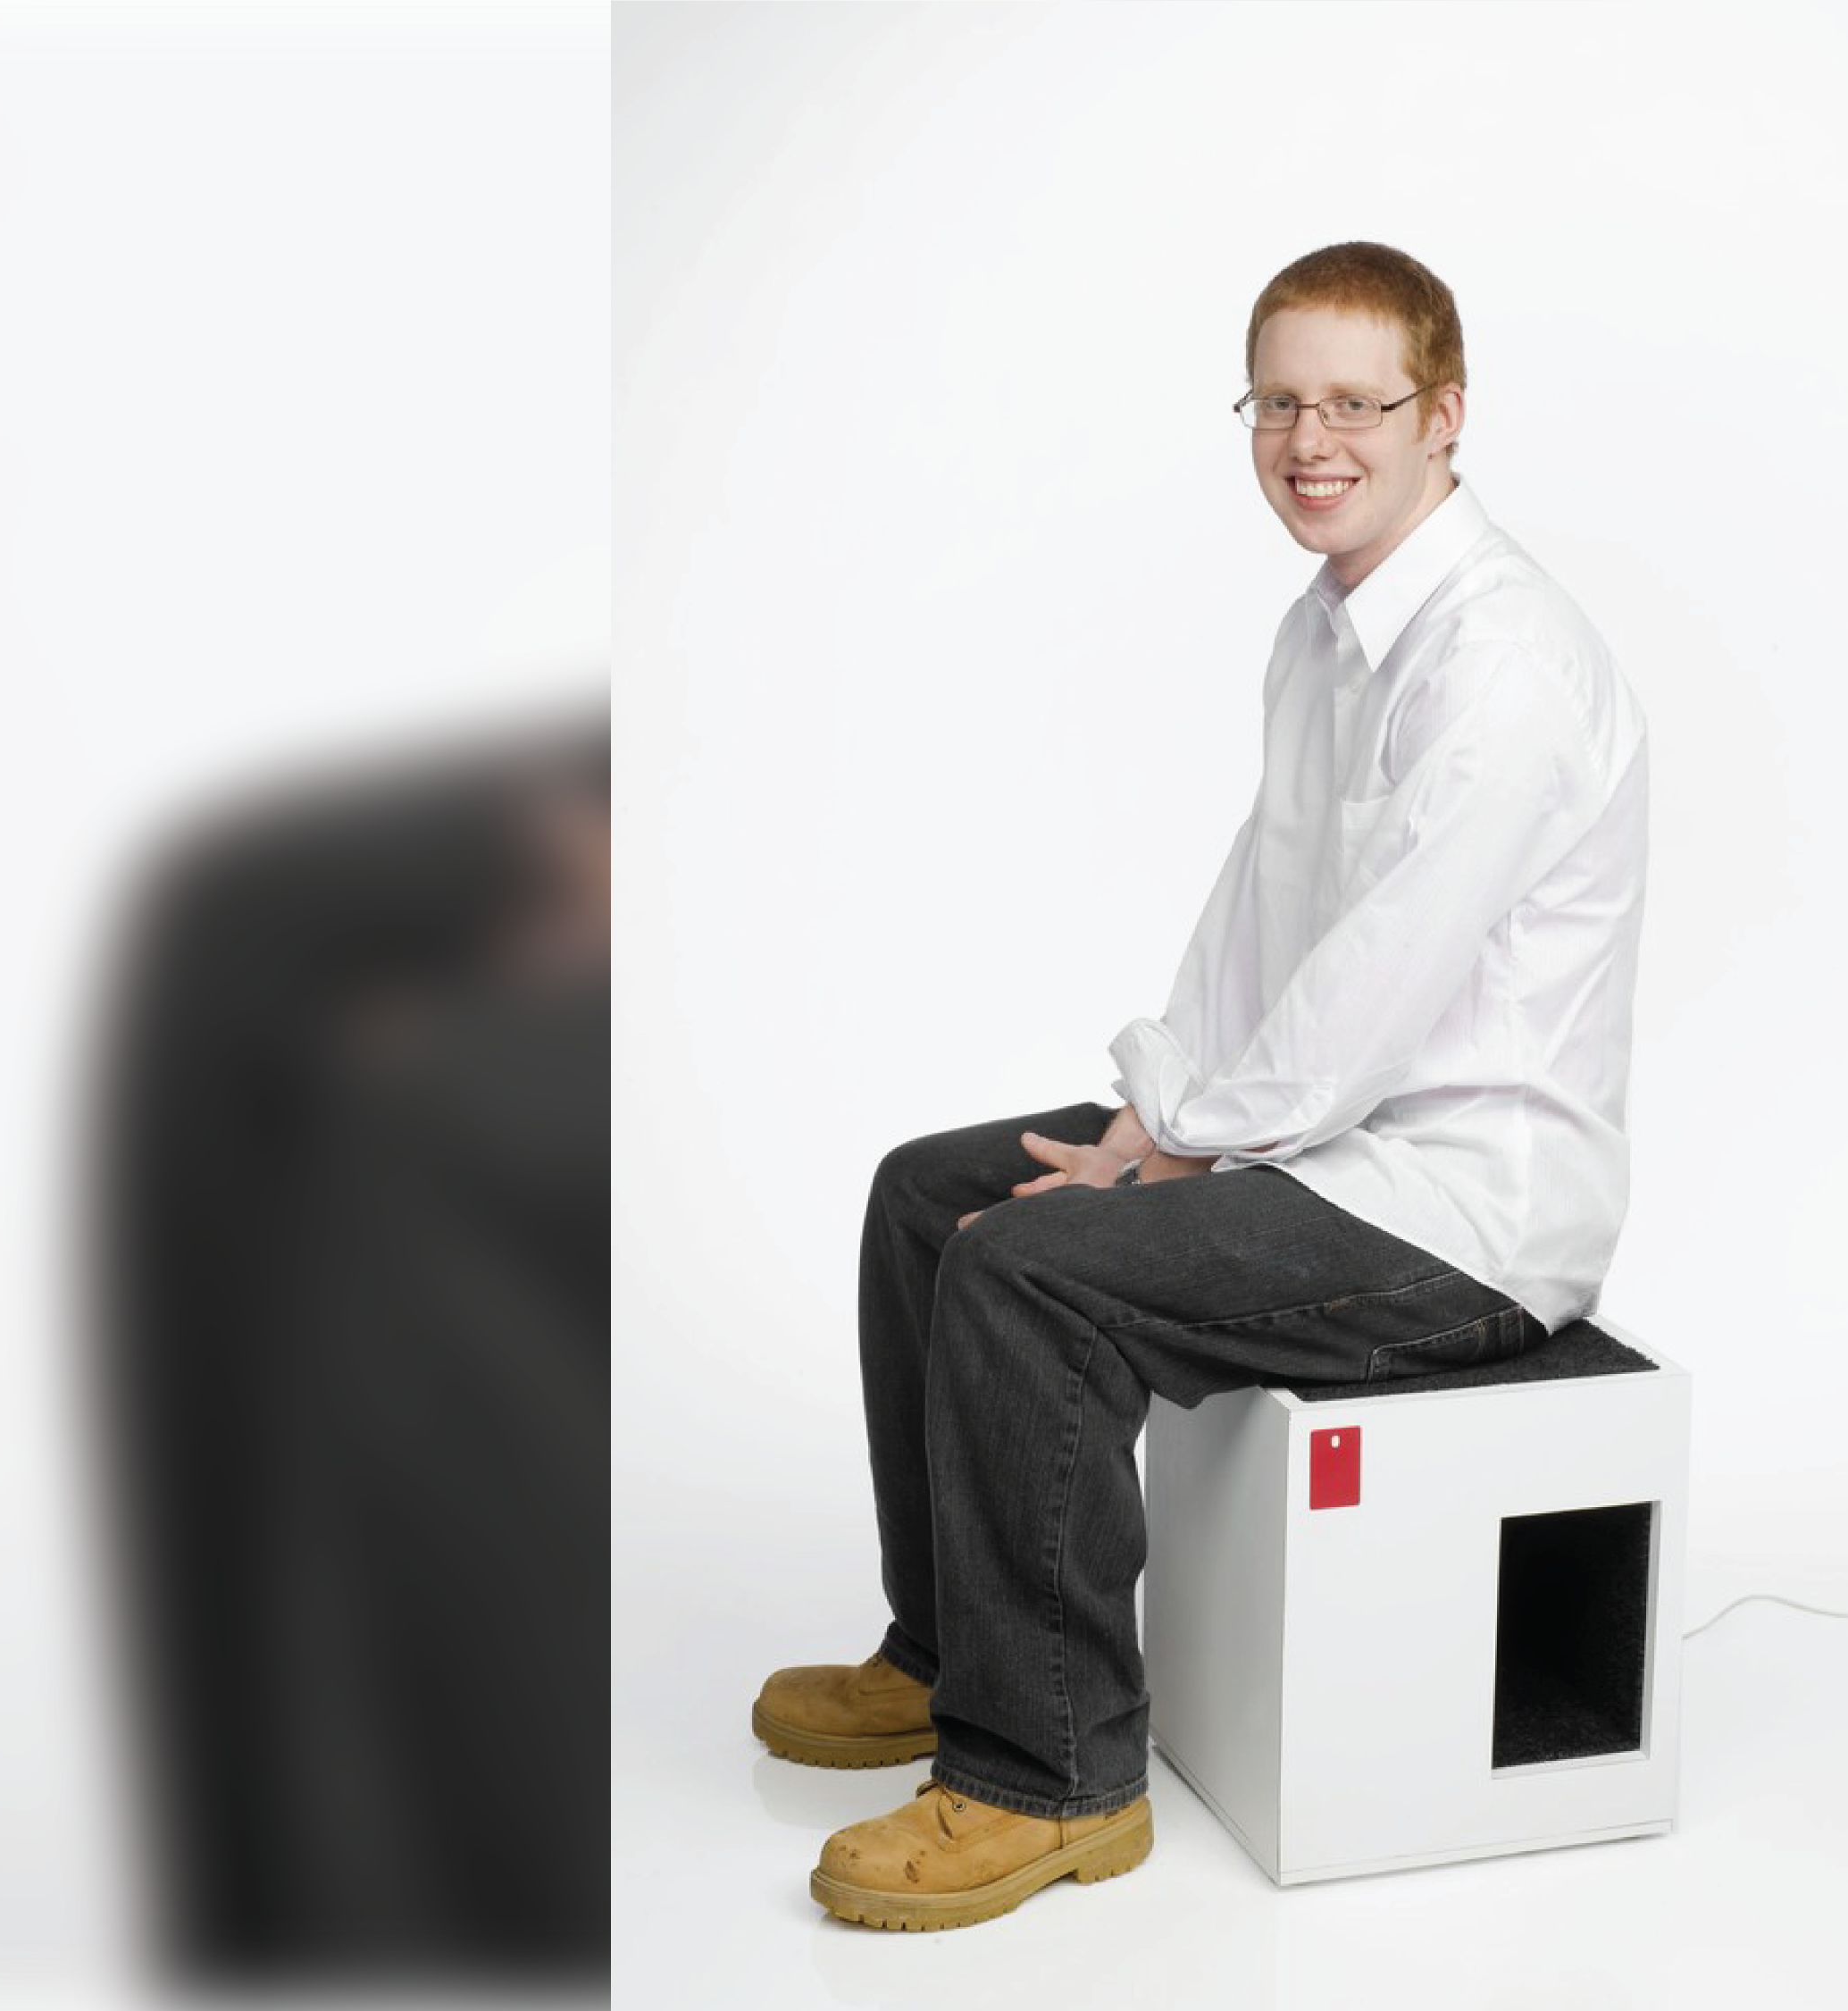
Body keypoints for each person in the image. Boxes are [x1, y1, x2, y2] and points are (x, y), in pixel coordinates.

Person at [757, 242, 1651, 1931]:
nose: (1312, 441)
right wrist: (1151, 1117)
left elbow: (1377, 987)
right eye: (1279, 402)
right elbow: (1264, 914)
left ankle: (1051, 1772)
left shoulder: (1503, 664)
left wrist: (1182, 1154)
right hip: (1329, 1147)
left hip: (1462, 1206)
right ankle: (949, 1647)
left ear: (1445, 414)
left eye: (1357, 402)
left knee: (1031, 1273)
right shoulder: (1329, 631)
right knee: (929, 1197)